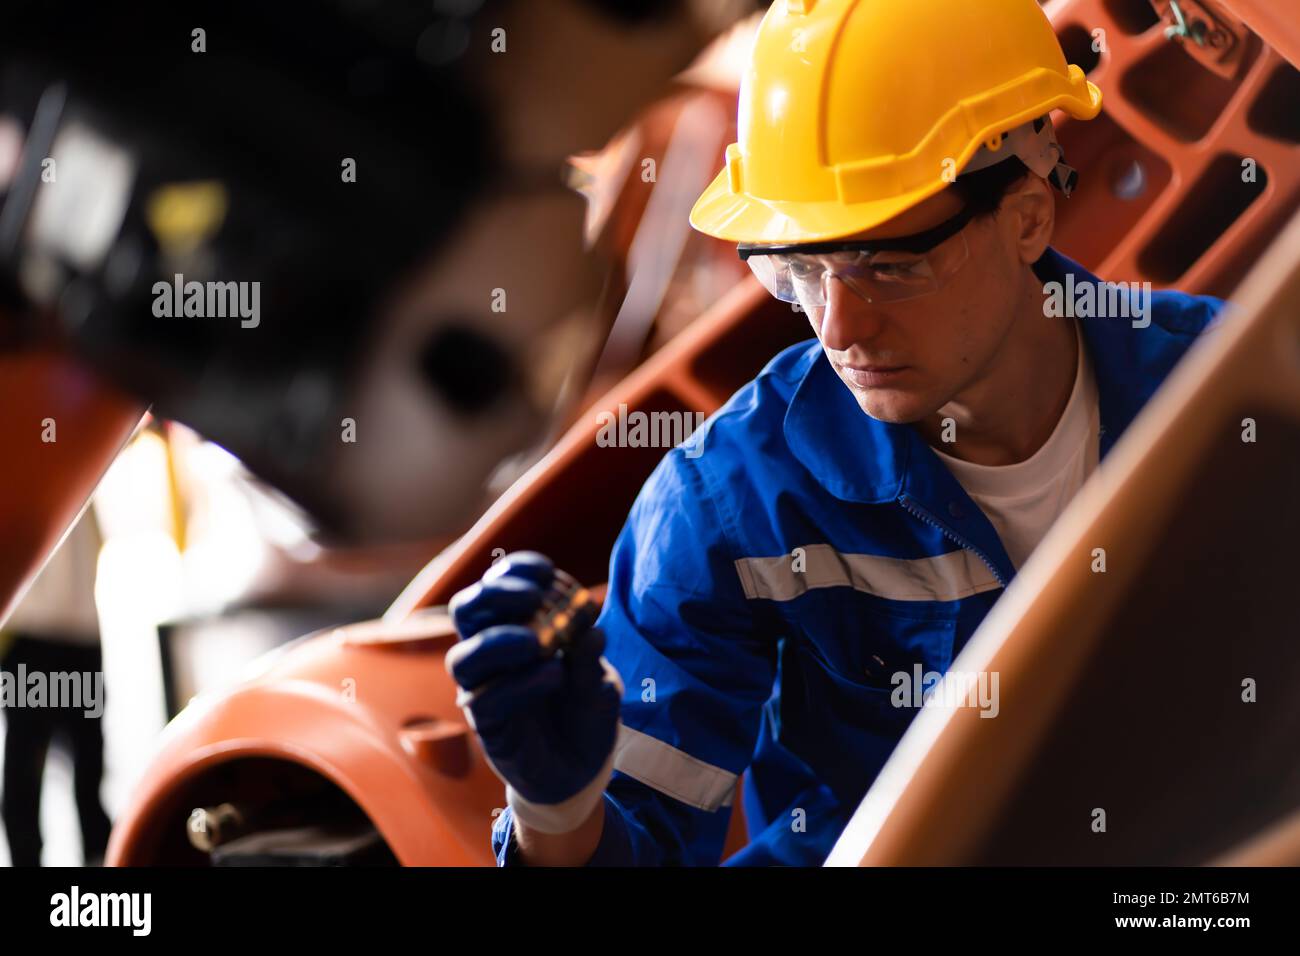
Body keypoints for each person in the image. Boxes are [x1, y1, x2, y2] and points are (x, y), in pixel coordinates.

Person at [446, 0, 1229, 865]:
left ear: (1028, 218)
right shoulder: (735, 503)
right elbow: (647, 847)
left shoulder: (1232, 392)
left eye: (889, 267)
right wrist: (556, 807)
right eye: (800, 272)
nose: (839, 328)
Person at [1, 513, 111, 866]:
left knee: (89, 752)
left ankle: (98, 850)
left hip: (82, 631)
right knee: (27, 756)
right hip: (30, 630)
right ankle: (25, 856)